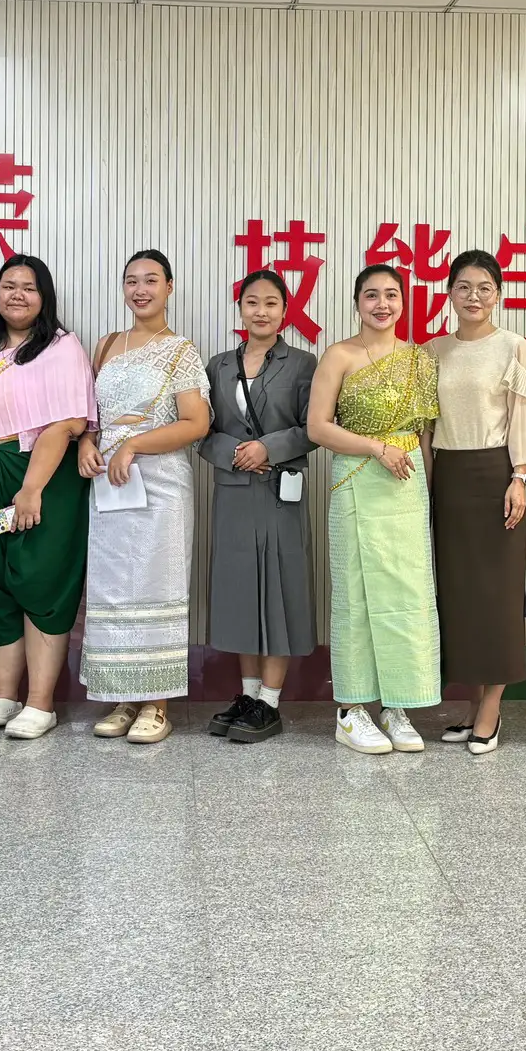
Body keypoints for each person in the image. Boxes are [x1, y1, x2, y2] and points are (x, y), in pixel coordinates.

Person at [0, 255, 96, 741]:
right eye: (8, 285)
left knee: (42, 580)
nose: (17, 294)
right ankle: (4, 695)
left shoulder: (61, 346)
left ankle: (41, 703)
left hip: (42, 472)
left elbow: (67, 423)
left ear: (45, 297)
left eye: (29, 287)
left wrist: (31, 488)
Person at [77, 250, 211, 745]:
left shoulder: (181, 350)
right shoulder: (107, 344)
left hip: (160, 482)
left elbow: (196, 423)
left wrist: (133, 445)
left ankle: (157, 703)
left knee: (157, 582)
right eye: (131, 281)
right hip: (109, 484)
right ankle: (123, 696)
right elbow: (90, 416)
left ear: (169, 287)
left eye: (151, 280)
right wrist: (87, 443)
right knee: (113, 587)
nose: (140, 290)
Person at [308, 263, 442, 755]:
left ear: (403, 302)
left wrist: (427, 495)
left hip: (407, 485)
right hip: (357, 479)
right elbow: (317, 427)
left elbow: (425, 436)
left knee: (407, 593)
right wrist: (375, 448)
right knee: (357, 595)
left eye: (390, 295)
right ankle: (351, 710)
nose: (382, 304)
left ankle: (398, 704)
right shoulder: (339, 355)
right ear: (357, 302)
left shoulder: (419, 360)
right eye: (371, 295)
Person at [428, 251, 526, 756]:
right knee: (458, 598)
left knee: (496, 596)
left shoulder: (513, 345)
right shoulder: (432, 350)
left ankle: (491, 710)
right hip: (448, 476)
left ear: (498, 294)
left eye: (485, 288)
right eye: (464, 286)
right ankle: (472, 706)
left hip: (496, 475)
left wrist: (519, 476)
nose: (474, 296)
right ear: (450, 292)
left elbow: (522, 416)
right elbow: (427, 426)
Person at [199, 270, 318, 745]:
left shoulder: (303, 363)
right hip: (232, 491)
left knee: (280, 588)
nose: (261, 311)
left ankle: (270, 701)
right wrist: (232, 452)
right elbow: (202, 429)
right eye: (252, 302)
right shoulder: (218, 365)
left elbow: (314, 426)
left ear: (285, 311)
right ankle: (247, 696)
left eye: (271, 303)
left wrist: (269, 447)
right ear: (241, 309)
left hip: (278, 492)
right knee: (240, 593)